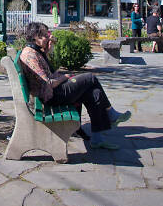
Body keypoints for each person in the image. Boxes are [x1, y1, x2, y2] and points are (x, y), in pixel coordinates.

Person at [19, 22, 131, 150]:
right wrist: (65, 77)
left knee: (93, 93)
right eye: (44, 35)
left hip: (52, 93)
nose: (48, 37)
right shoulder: (30, 55)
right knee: (90, 78)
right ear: (35, 37)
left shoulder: (35, 51)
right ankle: (110, 114)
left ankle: (98, 138)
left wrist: (48, 52)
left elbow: (50, 73)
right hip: (51, 96)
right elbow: (49, 83)